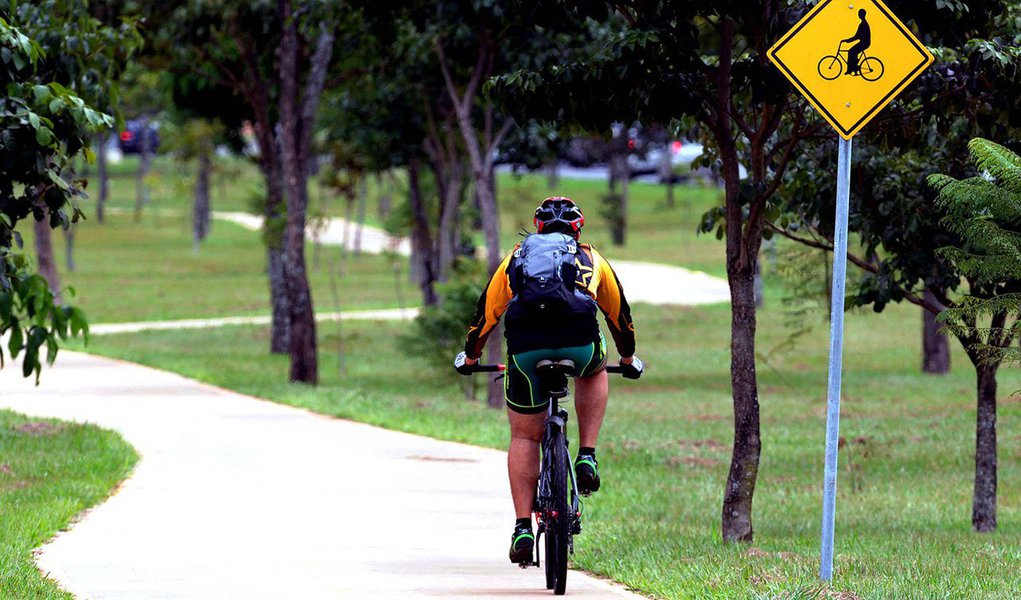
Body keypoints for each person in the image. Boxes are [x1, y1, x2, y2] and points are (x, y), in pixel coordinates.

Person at [453, 196, 643, 565]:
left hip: (526, 351)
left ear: (537, 228)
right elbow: (619, 313)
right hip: (579, 343)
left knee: (525, 435)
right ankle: (587, 454)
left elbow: (485, 313)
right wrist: (628, 358)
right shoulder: (591, 259)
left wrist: (471, 356)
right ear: (578, 228)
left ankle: (523, 526)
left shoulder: (516, 258)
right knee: (594, 367)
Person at [843, 8, 871, 76]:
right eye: (858, 13)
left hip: (865, 43)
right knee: (852, 52)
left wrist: (847, 40)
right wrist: (848, 40)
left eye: (859, 13)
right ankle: (851, 69)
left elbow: (857, 36)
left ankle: (854, 68)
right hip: (863, 42)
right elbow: (857, 36)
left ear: (863, 14)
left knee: (851, 52)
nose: (858, 15)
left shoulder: (863, 24)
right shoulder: (862, 23)